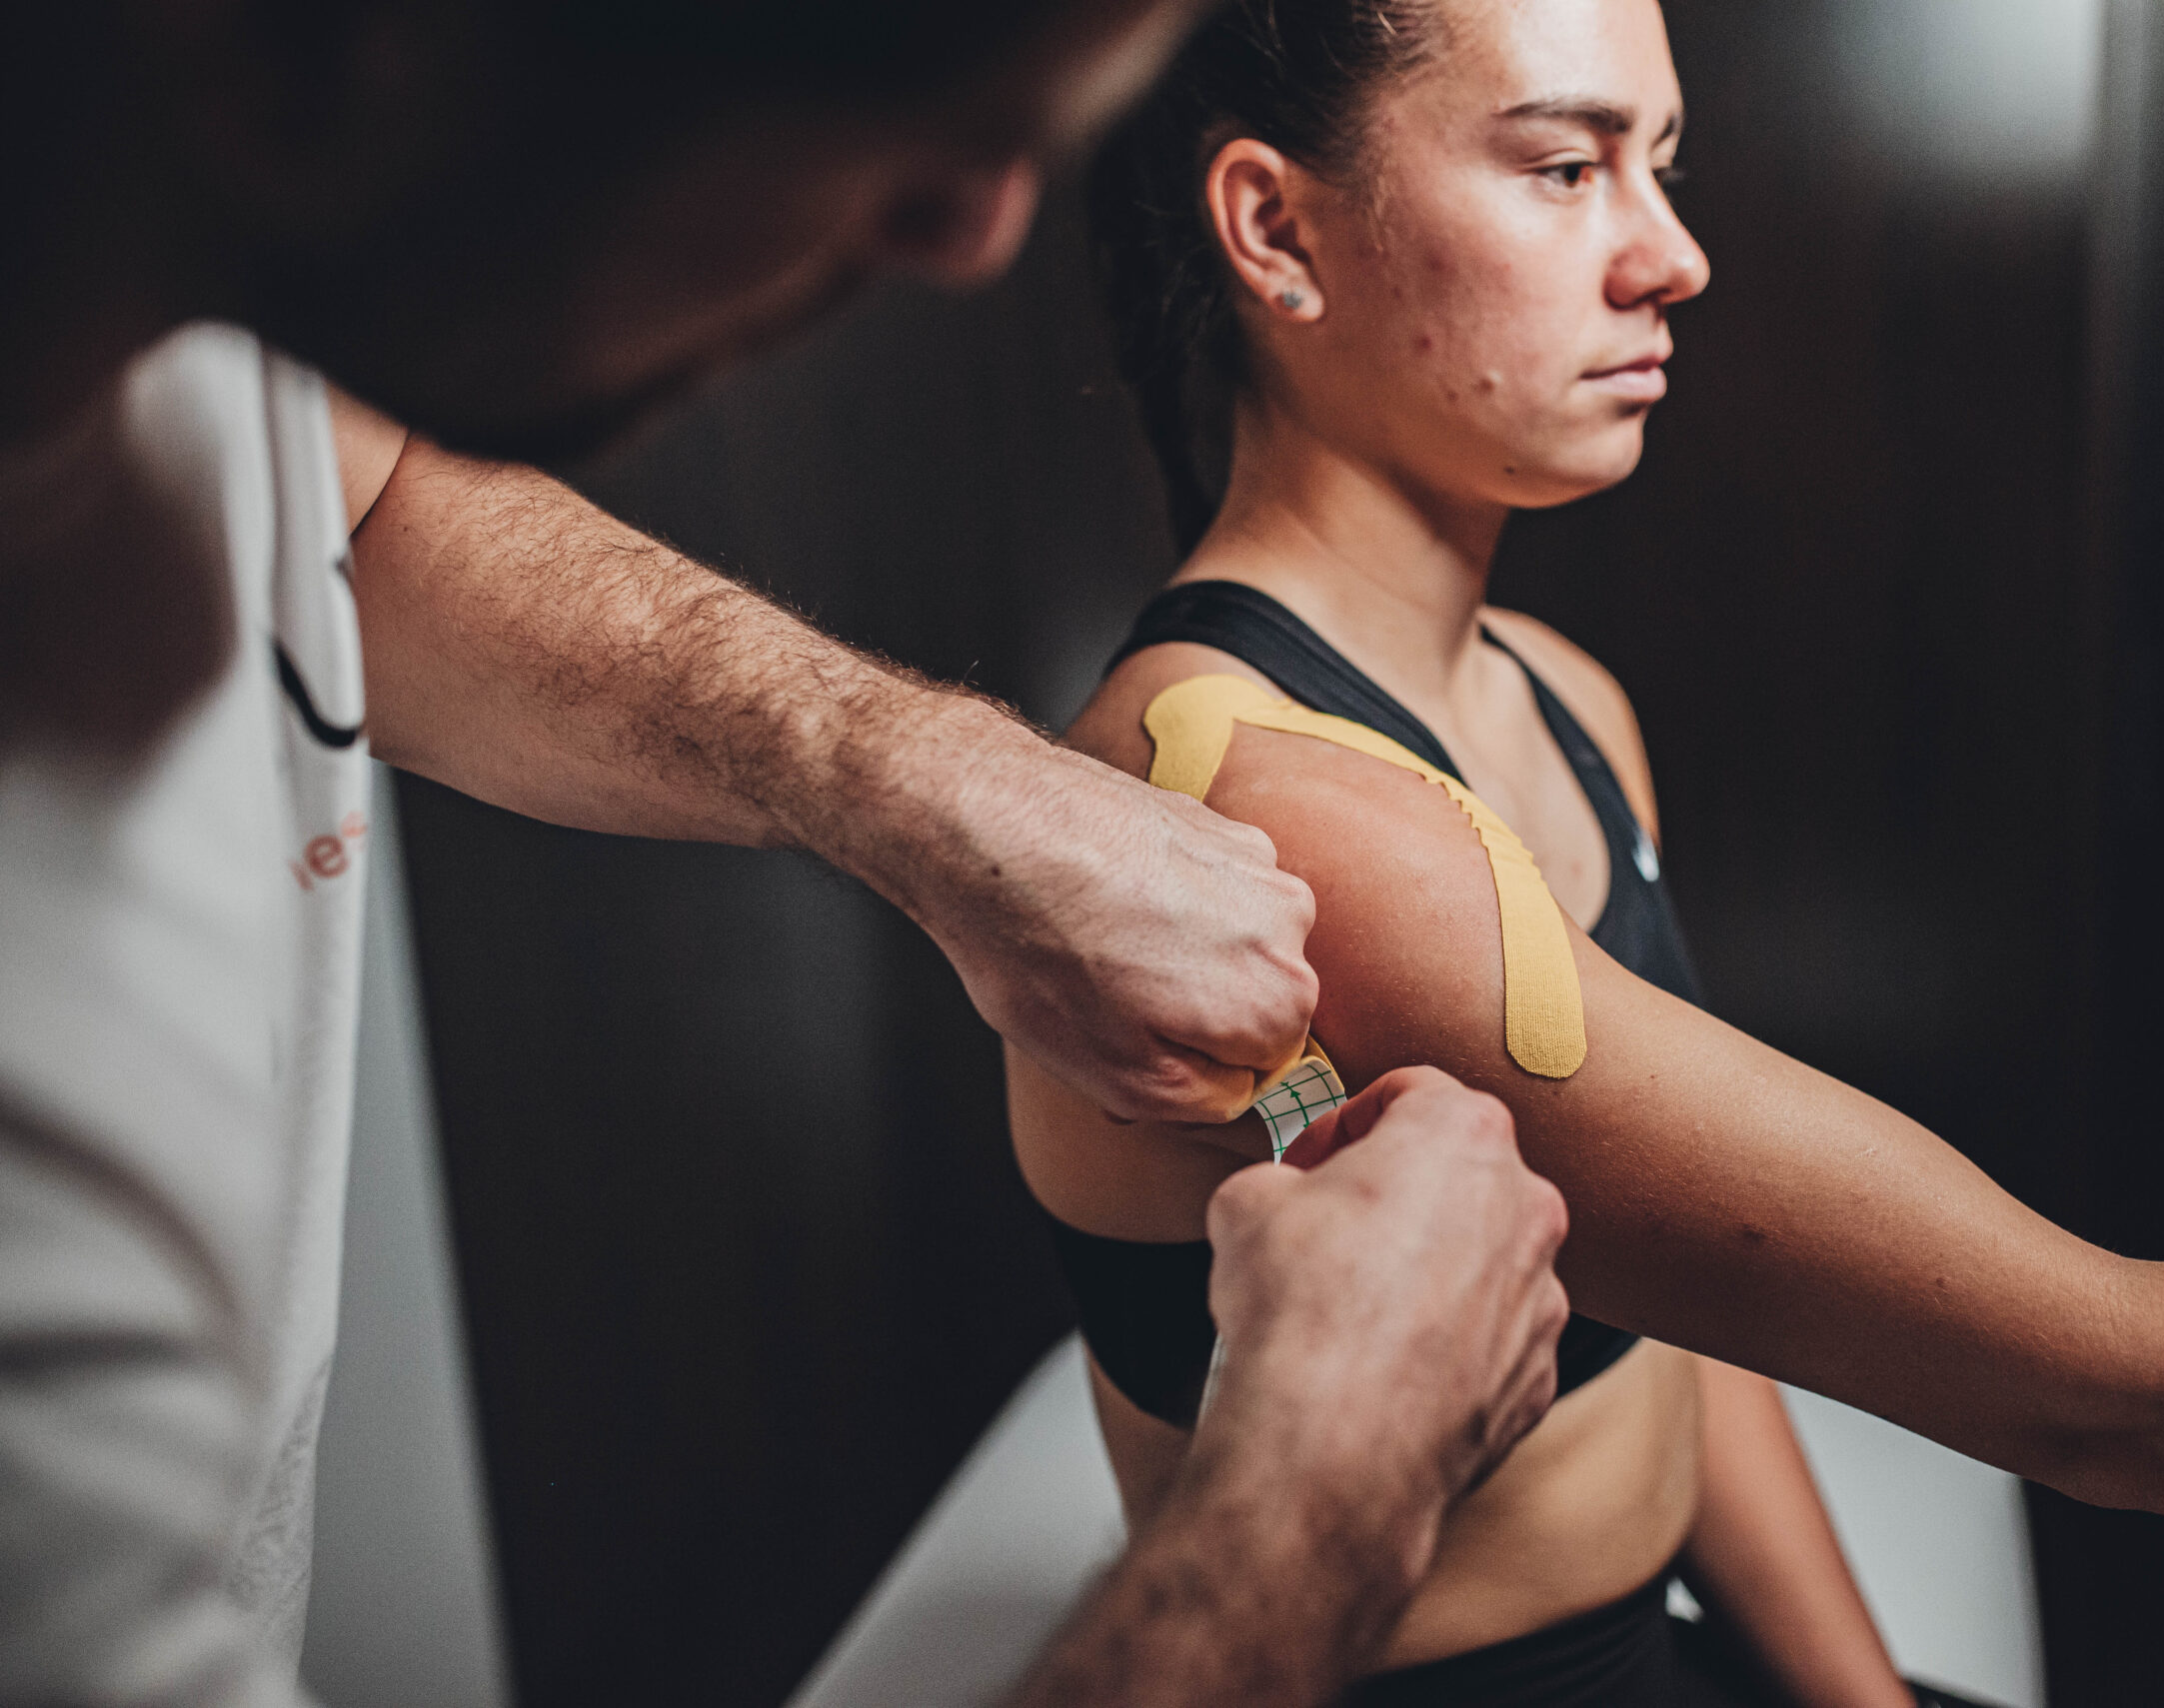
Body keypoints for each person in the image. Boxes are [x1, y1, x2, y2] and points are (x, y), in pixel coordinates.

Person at [0, 4, 1576, 1706]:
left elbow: (359, 505)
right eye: (891, 91)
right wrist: (1323, 1495)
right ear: (329, 54)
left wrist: (914, 771)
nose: (982, 231)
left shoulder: (162, 263)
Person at [1012, 0, 2164, 1697]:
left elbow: (1693, 1295)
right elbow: (2111, 1388)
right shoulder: (1261, 818)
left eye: (1661, 166)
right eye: (1565, 167)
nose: (1672, 258)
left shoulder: (1563, 701)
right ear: (1275, 228)